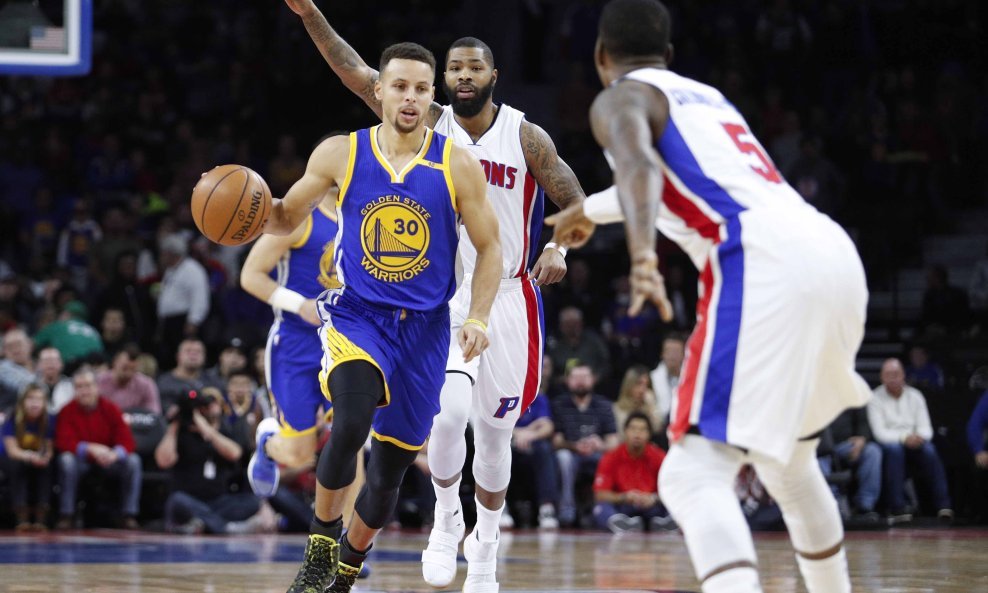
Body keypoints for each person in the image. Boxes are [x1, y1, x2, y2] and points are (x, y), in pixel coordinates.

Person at [548, 1, 872, 591]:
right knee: (790, 465)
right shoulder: (707, 99)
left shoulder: (619, 97)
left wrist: (643, 256)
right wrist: (589, 210)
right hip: (830, 251)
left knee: (692, 475)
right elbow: (666, 180)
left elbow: (642, 168)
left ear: (600, 56)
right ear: (668, 57)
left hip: (760, 260)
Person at [282, 3, 588, 589]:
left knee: (495, 439)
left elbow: (572, 197)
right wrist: (310, 14)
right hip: (440, 299)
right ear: (443, 80)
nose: (465, 77)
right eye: (456, 69)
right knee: (445, 421)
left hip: (508, 294)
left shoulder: (524, 134)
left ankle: (488, 543)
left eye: (476, 68)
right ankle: (446, 520)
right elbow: (352, 69)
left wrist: (561, 250)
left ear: (493, 76)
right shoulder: (423, 118)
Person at [250, 42, 501, 593]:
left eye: (419, 88)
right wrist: (247, 214)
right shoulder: (342, 152)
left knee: (388, 472)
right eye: (399, 86)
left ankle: (345, 571)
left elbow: (491, 249)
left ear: (431, 95)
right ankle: (319, 545)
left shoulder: (456, 162)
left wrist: (478, 317)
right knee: (352, 418)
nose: (409, 98)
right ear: (380, 90)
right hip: (358, 317)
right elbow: (285, 214)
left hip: (426, 332)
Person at [241, 144, 343, 488]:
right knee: (300, 455)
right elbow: (251, 275)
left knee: (351, 440)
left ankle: (348, 534)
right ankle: (269, 443)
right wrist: (299, 303)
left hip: (346, 342)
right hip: (296, 343)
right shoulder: (300, 216)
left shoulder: (368, 217)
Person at [155, 388, 265, 535]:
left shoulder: (224, 432)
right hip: (189, 500)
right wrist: (175, 424)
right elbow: (163, 461)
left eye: (212, 404)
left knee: (252, 502)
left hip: (219, 502)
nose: (206, 409)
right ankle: (224, 527)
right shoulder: (179, 433)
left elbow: (235, 453)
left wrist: (206, 429)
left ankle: (202, 523)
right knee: (177, 500)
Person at [54, 367, 143, 530]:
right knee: (66, 460)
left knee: (133, 461)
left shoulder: (111, 408)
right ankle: (66, 514)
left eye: (87, 386)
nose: (84, 391)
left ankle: (128, 515)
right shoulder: (67, 411)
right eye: (79, 387)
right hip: (81, 460)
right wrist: (89, 448)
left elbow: (128, 441)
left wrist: (115, 454)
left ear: (97, 387)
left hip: (108, 460)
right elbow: (63, 442)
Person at [868, 358, 953, 522]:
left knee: (930, 450)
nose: (893, 378)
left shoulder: (915, 396)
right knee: (895, 450)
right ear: (881, 377)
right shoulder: (875, 398)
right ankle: (897, 507)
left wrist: (917, 438)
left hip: (915, 441)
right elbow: (879, 433)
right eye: (888, 374)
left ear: (903, 375)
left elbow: (926, 429)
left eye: (896, 374)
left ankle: (944, 506)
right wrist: (904, 438)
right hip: (891, 443)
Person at [551, 363, 619, 526]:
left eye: (585, 377)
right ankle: (567, 509)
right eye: (576, 378)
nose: (580, 382)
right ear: (567, 381)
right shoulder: (559, 404)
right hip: (570, 452)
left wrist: (599, 444)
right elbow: (556, 440)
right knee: (563, 458)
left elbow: (613, 441)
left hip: (597, 452)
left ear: (593, 380)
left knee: (608, 458)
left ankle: (601, 509)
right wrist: (574, 446)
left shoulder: (604, 405)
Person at [592, 411, 668, 533]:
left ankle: (665, 524)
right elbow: (600, 494)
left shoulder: (659, 456)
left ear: (649, 434)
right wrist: (624, 497)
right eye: (633, 429)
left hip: (652, 506)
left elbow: (673, 489)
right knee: (600, 508)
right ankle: (620, 524)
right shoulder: (611, 457)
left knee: (673, 504)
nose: (637, 434)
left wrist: (654, 498)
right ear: (625, 432)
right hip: (623, 506)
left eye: (642, 430)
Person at [1, 383, 55, 530]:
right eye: (30, 399)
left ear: (44, 403)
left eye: (39, 399)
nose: (34, 403)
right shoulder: (12, 417)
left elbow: (48, 449)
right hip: (10, 458)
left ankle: (41, 517)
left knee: (47, 467)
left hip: (34, 457)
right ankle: (21, 516)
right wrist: (30, 456)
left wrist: (45, 458)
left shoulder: (48, 420)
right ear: (22, 402)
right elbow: (12, 450)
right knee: (18, 465)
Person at [612, 364, 662, 436]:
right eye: (638, 384)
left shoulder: (649, 408)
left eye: (647, 385)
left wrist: (652, 406)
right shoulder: (617, 408)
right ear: (629, 385)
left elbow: (657, 429)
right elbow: (622, 436)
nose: (642, 390)